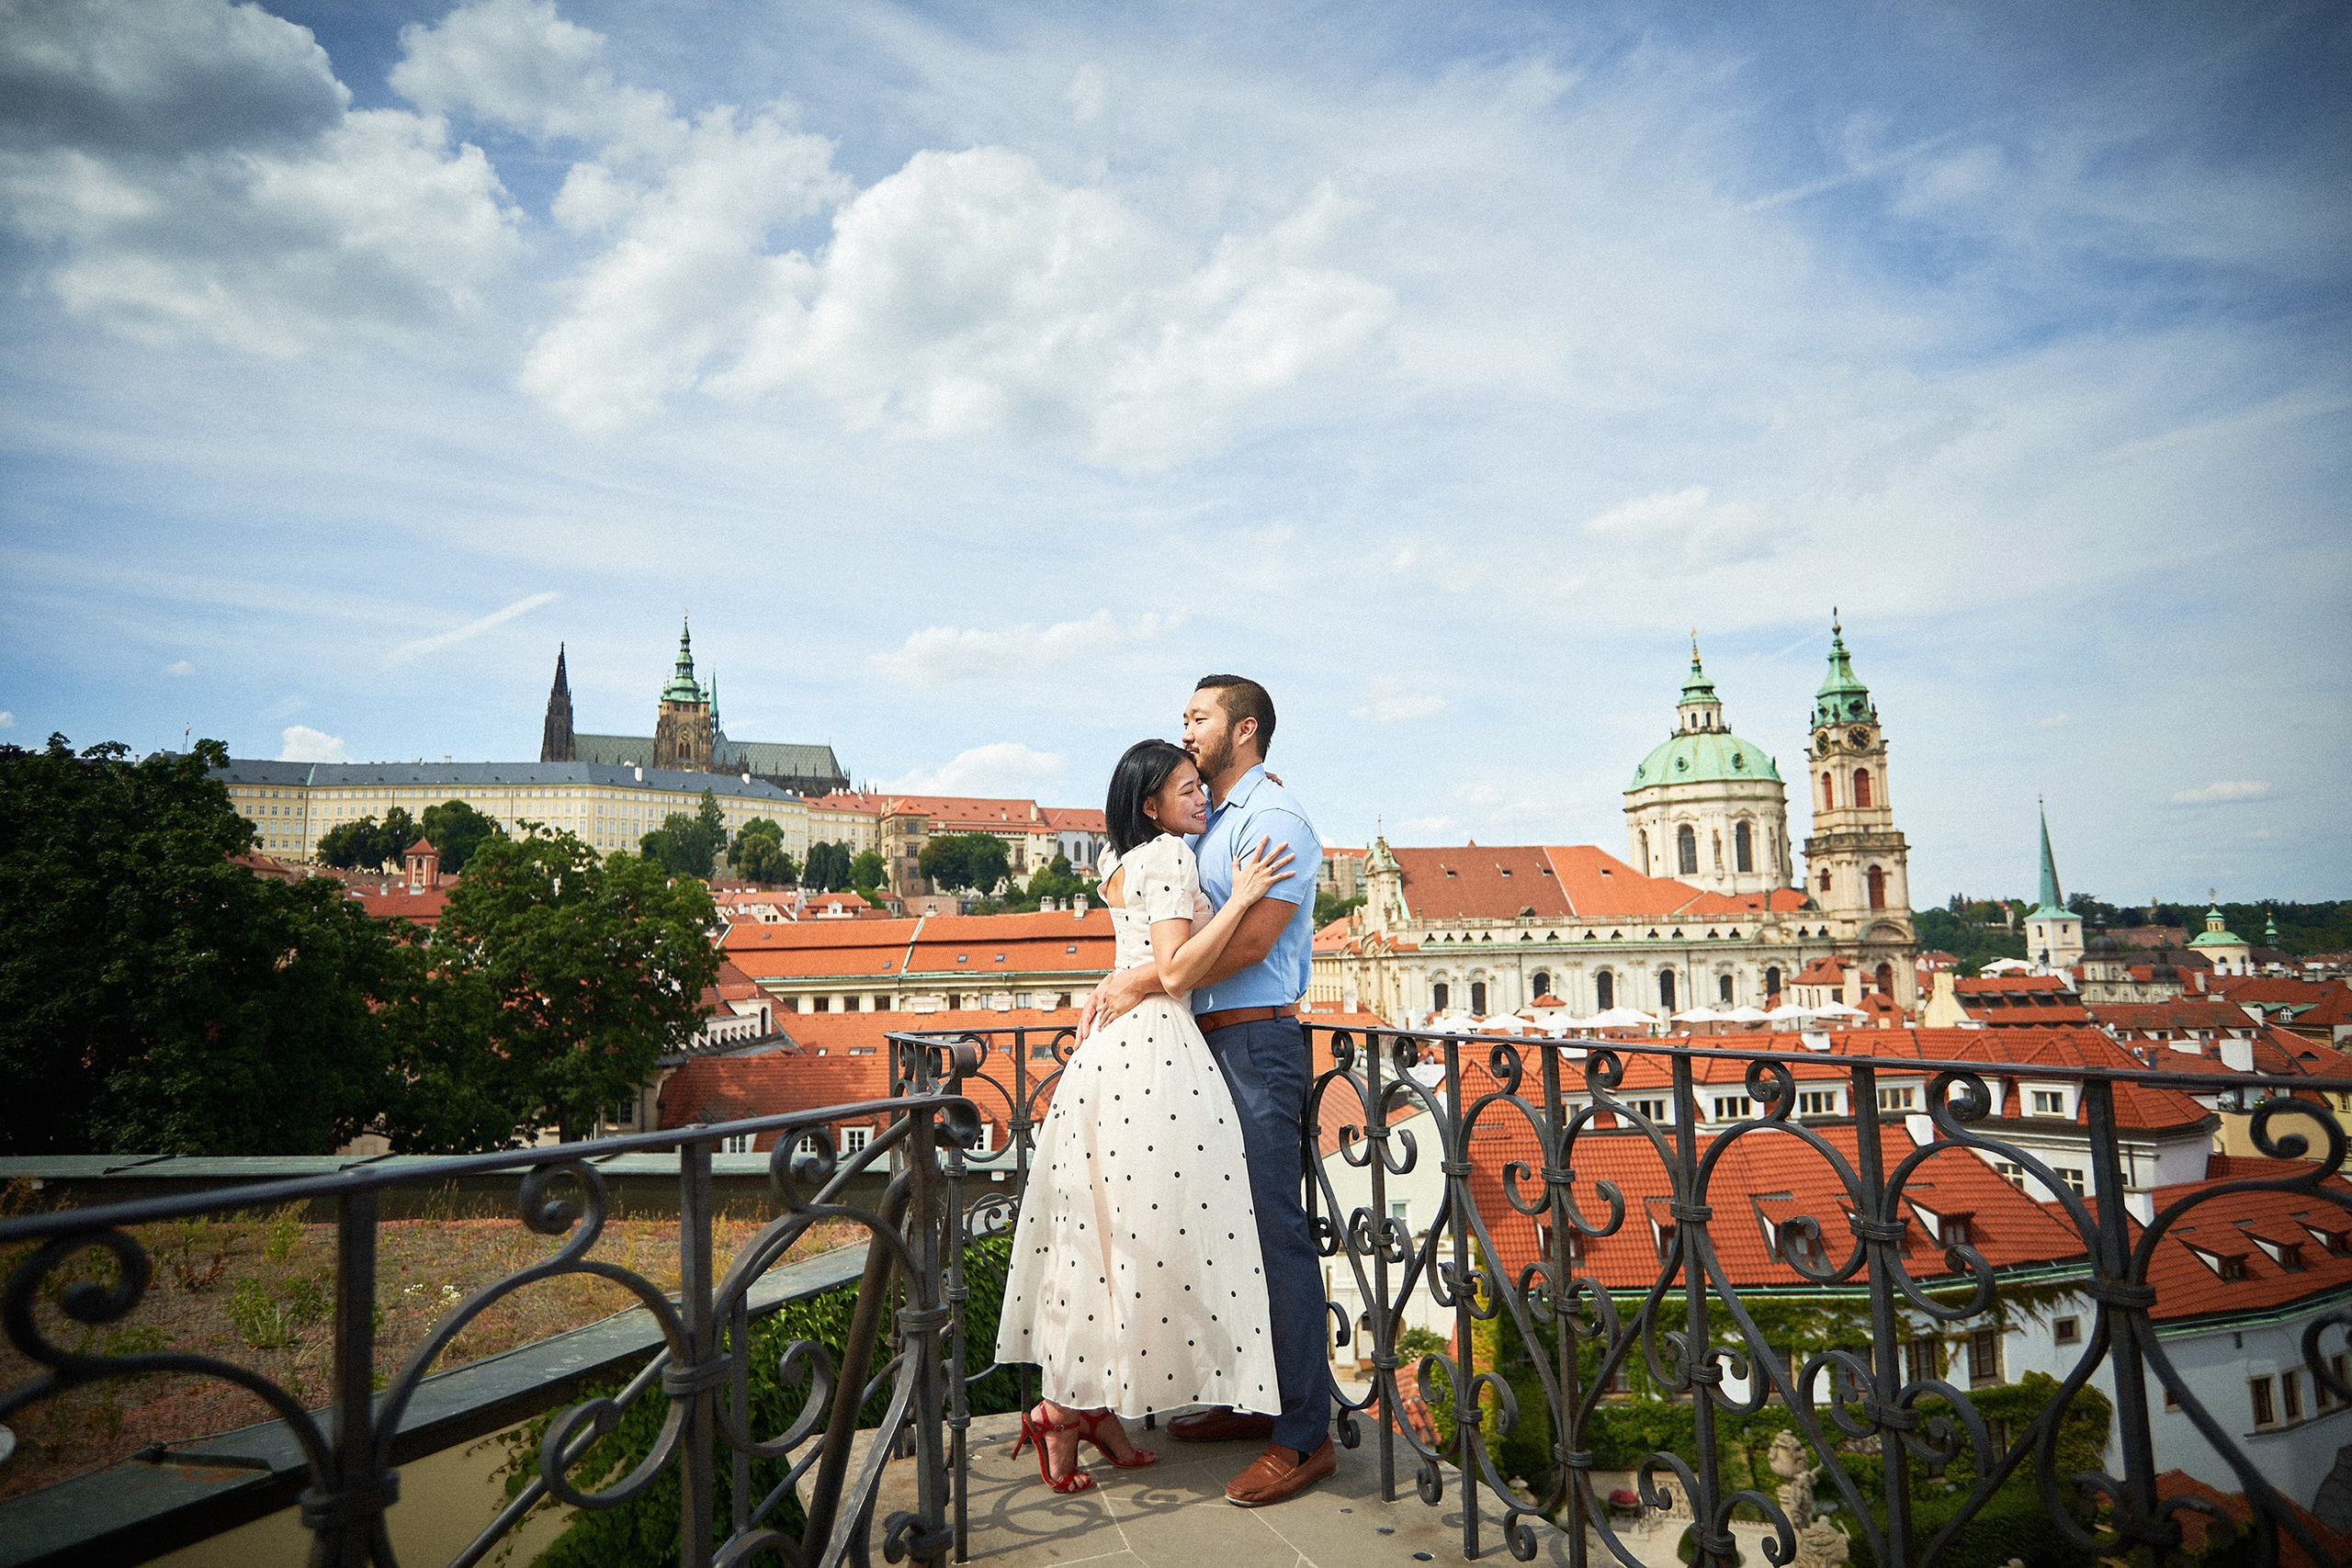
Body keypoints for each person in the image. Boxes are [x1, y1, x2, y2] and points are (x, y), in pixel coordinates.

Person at [995, 739, 1295, 1495]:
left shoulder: (1120, 859)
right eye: (1187, 789)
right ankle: (1064, 1410)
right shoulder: (1170, 858)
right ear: (1151, 805)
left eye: (1202, 786)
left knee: (1097, 1238)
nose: (1201, 798)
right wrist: (1241, 896)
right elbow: (1176, 970)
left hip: (1112, 1057)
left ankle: (1086, 1409)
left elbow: (1147, 963)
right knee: (1142, 1239)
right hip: (1154, 1058)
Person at [1080, 674, 1330, 1508]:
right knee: (1224, 1228)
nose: (1185, 727)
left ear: (1245, 729)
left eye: (1199, 716)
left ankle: (1304, 1435)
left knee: (1274, 1227)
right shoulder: (1210, 820)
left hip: (1257, 1040)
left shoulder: (1274, 820)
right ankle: (1249, 1395)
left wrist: (1146, 978)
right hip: (1201, 1044)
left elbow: (1255, 941)